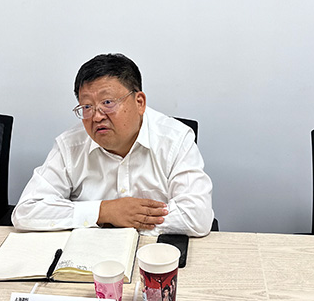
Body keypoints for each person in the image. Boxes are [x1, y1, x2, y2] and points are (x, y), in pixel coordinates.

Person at [12, 53, 214, 237]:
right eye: (87, 106)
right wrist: (104, 212)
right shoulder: (70, 146)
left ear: (139, 102)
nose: (97, 116)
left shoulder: (175, 140)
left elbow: (197, 217)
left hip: (153, 256)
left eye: (107, 102)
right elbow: (26, 211)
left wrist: (118, 223)